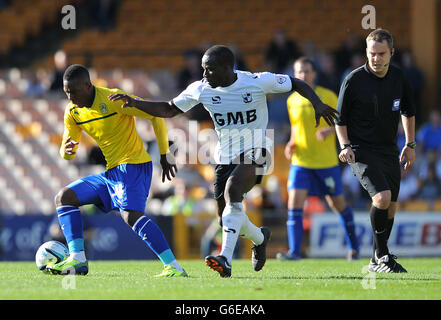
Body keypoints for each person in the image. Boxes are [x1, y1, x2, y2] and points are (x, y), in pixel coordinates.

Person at [108, 45, 338, 277]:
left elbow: (296, 82)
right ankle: (259, 237)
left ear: (228, 68)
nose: (205, 75)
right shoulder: (201, 89)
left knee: (233, 189)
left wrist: (317, 103)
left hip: (257, 148)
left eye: (210, 70)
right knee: (224, 217)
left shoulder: (256, 81)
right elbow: (169, 109)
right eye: (203, 69)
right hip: (225, 155)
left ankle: (225, 258)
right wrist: (135, 103)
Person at [46, 64, 188, 277]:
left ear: (87, 85)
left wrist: (164, 154)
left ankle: (174, 267)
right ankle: (78, 259)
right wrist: (65, 151)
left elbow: (155, 116)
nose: (70, 97)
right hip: (112, 172)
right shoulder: (73, 112)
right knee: (65, 197)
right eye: (66, 92)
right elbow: (68, 152)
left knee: (130, 215)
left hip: (134, 164)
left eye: (73, 92)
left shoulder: (114, 99)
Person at [336, 29, 416, 273]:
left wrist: (410, 144)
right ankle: (382, 256)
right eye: (372, 54)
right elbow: (340, 118)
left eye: (381, 54)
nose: (376, 59)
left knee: (391, 205)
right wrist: (345, 146)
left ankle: (376, 260)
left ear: (392, 53)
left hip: (388, 150)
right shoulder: (353, 79)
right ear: (366, 53)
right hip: (360, 150)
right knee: (381, 198)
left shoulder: (399, 78)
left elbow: (408, 111)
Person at [277, 57, 359, 261]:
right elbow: (296, 128)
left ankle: (354, 248)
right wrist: (291, 142)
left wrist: (329, 131)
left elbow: (344, 122)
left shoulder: (327, 96)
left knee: (337, 204)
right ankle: (294, 252)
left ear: (314, 74)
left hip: (326, 163)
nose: (303, 75)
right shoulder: (292, 100)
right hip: (301, 162)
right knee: (294, 205)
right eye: (299, 72)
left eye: (306, 71)